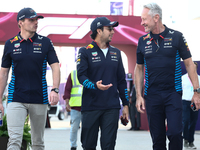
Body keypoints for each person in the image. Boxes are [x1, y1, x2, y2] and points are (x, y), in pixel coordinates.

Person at [134, 2, 200, 150]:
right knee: (157, 139)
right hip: (152, 95)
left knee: (176, 133)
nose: (142, 22)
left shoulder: (177, 37)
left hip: (173, 94)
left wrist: (196, 92)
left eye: (144, 19)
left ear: (156, 17)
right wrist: (139, 95)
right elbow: (138, 68)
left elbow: (189, 64)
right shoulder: (142, 41)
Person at [0, 7, 60, 150]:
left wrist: (55, 90)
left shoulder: (45, 42)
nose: (36, 23)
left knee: (38, 142)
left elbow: (55, 66)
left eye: (36, 20)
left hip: (39, 98)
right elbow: (3, 73)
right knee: (14, 141)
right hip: (16, 97)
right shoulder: (10, 44)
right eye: (31, 20)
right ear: (20, 22)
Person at [77, 17, 129, 150]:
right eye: (109, 29)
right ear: (99, 31)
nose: (113, 31)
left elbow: (121, 81)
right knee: (88, 145)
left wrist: (126, 105)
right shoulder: (85, 51)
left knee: (109, 145)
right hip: (91, 106)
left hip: (111, 107)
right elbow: (81, 76)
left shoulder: (116, 53)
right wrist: (95, 85)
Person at [182, 62, 200, 149]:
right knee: (185, 121)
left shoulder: (199, 78)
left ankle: (191, 141)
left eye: (195, 68)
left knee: (193, 122)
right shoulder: (183, 78)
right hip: (185, 102)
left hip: (195, 103)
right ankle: (185, 139)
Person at [63, 70, 82, 150]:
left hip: (88, 107)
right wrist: (67, 104)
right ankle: (73, 146)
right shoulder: (73, 74)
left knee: (87, 128)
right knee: (74, 127)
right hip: (75, 106)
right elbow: (67, 90)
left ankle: (86, 145)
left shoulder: (91, 72)